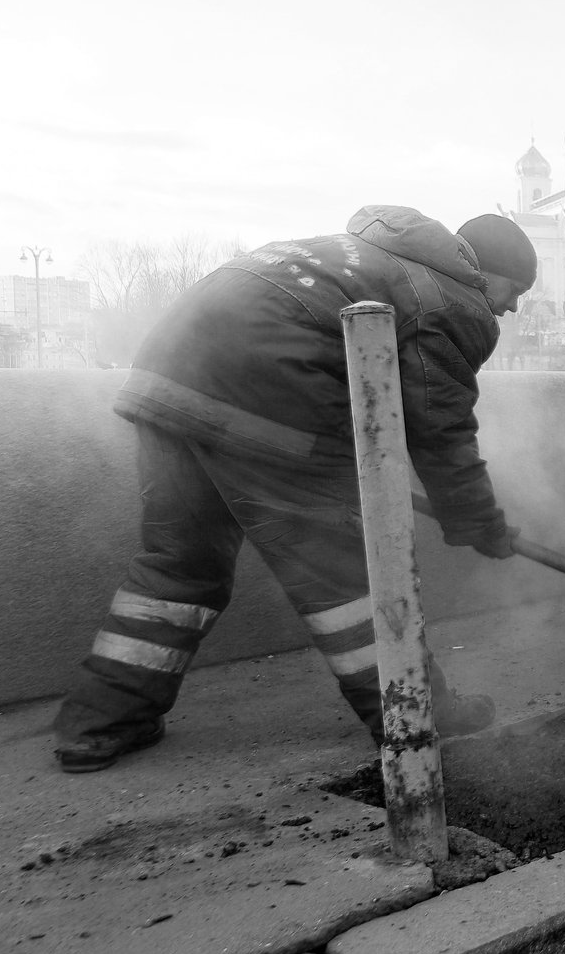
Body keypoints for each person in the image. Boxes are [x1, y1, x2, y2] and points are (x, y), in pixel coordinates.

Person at [50, 206, 536, 773]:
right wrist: (479, 522)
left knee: (178, 567)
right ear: (485, 271)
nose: (512, 305)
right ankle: (413, 714)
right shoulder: (452, 297)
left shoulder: (360, 258)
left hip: (167, 377)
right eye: (516, 288)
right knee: (346, 582)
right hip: (269, 397)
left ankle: (100, 724)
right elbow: (441, 429)